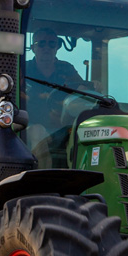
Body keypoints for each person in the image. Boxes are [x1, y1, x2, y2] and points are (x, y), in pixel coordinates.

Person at [24, 27, 87, 165]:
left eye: (51, 44)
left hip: (61, 126)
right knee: (37, 132)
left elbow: (83, 91)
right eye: (41, 43)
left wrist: (92, 86)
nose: (46, 47)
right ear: (33, 48)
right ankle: (41, 178)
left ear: (57, 47)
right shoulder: (23, 69)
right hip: (29, 126)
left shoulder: (66, 69)